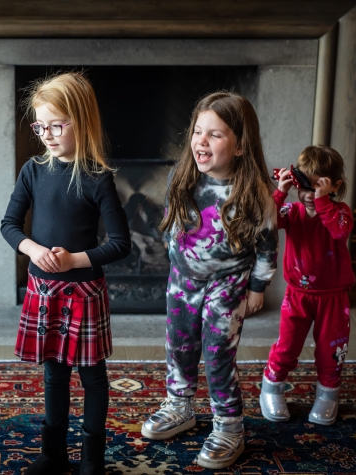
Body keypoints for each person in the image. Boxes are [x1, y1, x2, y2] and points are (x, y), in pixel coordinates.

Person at [0, 72, 131, 475]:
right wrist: (33, 250)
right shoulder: (33, 171)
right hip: (44, 290)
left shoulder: (98, 177)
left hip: (83, 292)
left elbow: (121, 243)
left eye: (57, 125)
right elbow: (9, 225)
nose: (47, 135)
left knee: (93, 377)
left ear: (81, 120)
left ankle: (93, 459)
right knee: (54, 375)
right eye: (41, 126)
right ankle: (52, 454)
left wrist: (75, 259)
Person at [141, 92, 279, 470]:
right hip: (182, 280)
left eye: (215, 135)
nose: (201, 141)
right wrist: (174, 260)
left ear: (239, 145)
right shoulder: (181, 177)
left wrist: (256, 288)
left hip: (229, 282)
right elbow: (172, 223)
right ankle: (180, 406)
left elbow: (267, 247)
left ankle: (229, 425)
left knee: (218, 354)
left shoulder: (255, 194)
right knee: (179, 346)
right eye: (198, 131)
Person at [260, 145, 355, 426]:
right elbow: (266, 223)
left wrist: (325, 202)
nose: (311, 196)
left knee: (331, 349)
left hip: (334, 296)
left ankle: (328, 394)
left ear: (335, 186)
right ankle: (272, 386)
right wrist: (281, 191)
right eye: (306, 187)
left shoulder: (340, 212)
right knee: (287, 346)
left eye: (320, 188)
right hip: (297, 295)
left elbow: (339, 231)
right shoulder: (291, 211)